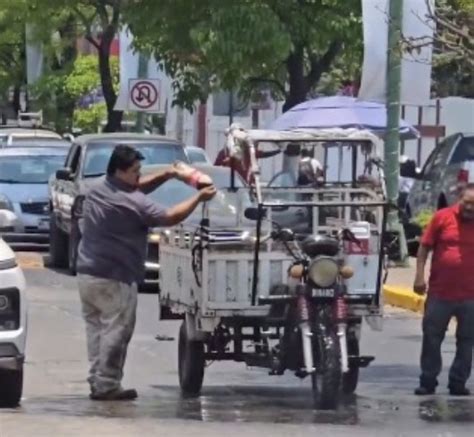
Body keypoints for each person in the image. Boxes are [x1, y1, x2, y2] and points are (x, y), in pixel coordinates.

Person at [76, 145, 216, 401]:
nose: (139, 175)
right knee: (117, 331)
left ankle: (98, 380)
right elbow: (169, 216)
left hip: (87, 273)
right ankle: (107, 385)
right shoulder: (131, 203)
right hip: (115, 277)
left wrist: (166, 175)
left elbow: (136, 188)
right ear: (120, 171)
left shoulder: (97, 189)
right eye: (135, 171)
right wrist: (198, 197)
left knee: (96, 330)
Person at [413, 183, 474, 396]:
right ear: (459, 199)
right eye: (467, 203)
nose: (470, 208)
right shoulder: (442, 217)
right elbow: (424, 248)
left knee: (467, 341)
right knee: (432, 337)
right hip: (440, 292)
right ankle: (428, 381)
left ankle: (458, 383)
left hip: (471, 296)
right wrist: (419, 276)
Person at [214, 143, 280, 184]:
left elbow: (264, 154)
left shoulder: (248, 152)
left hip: (244, 185)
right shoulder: (224, 153)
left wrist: (279, 150)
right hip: (229, 185)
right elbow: (216, 169)